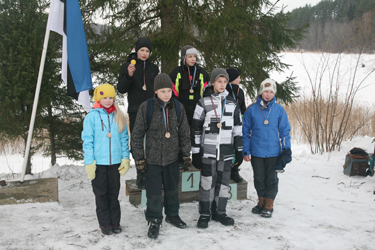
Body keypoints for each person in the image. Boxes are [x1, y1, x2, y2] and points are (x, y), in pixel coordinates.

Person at [130, 73, 192, 239]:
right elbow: (136, 135)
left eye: (169, 91)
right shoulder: (146, 107)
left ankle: (172, 214)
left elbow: (185, 132)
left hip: (172, 158)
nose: (166, 94)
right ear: (156, 91)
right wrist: (139, 158)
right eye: (163, 91)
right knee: (154, 192)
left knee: (172, 189)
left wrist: (186, 154)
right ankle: (154, 219)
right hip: (152, 159)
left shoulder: (178, 108)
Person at [191, 68, 243, 229]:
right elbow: (196, 128)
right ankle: (205, 213)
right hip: (208, 151)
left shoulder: (232, 104)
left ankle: (220, 212)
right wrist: (196, 152)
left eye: (225, 82)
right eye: (219, 81)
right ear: (213, 82)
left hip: (226, 152)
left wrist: (239, 150)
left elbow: (238, 128)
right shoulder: (203, 102)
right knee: (207, 183)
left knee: (223, 183)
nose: (222, 84)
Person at [82, 84, 131, 235]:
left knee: (113, 194)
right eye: (105, 98)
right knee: (101, 195)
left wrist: (125, 158)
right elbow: (87, 141)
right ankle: (104, 223)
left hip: (115, 163)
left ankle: (115, 222)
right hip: (99, 164)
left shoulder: (119, 115)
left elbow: (124, 139)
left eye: (111, 97)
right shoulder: (92, 116)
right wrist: (89, 162)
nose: (108, 101)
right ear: (98, 98)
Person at [242, 78, 291, 218]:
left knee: (271, 178)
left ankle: (269, 204)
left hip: (273, 152)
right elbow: (245, 131)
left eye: (271, 92)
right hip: (257, 151)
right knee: (259, 178)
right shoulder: (251, 109)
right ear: (260, 92)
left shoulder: (279, 110)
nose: (268, 94)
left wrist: (286, 149)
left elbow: (285, 131)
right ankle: (261, 201)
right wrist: (246, 150)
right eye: (265, 91)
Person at [117, 37, 159, 188]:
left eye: (147, 51)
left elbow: (157, 89)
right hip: (135, 110)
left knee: (153, 142)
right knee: (137, 142)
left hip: (152, 109)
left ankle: (152, 173)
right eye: (142, 50)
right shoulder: (128, 66)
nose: (144, 53)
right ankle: (141, 174)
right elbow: (121, 89)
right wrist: (128, 75)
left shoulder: (154, 68)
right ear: (136, 50)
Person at [169, 45, 210, 127]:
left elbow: (206, 89)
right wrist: (177, 103)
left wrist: (203, 105)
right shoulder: (177, 72)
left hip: (197, 108)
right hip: (181, 108)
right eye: (190, 56)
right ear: (184, 58)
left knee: (195, 132)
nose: (193, 59)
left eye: (194, 56)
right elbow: (172, 89)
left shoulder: (201, 72)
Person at [226, 68, 247, 183]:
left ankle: (235, 169)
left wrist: (242, 120)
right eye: (238, 77)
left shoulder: (241, 91)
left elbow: (243, 108)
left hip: (237, 124)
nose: (240, 79)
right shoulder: (224, 90)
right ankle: (226, 169)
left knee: (237, 148)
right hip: (225, 124)